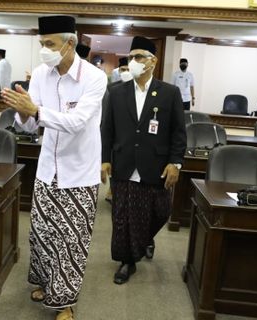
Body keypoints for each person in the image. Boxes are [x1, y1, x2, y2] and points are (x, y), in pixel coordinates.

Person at [1, 15, 107, 320]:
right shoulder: (40, 73)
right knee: (44, 234)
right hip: (48, 169)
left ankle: (67, 302)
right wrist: (22, 111)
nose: (44, 50)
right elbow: (31, 122)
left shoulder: (94, 78)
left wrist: (34, 110)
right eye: (42, 44)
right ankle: (48, 285)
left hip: (79, 173)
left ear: (70, 43)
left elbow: (76, 123)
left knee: (71, 240)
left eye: (50, 44)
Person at [101, 36, 186, 285]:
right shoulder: (116, 92)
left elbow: (178, 133)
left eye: (139, 57)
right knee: (123, 217)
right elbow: (107, 129)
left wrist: (176, 163)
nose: (134, 62)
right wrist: (105, 159)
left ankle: (145, 238)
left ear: (153, 61)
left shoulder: (170, 93)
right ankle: (127, 261)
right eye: (131, 57)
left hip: (155, 165)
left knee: (160, 211)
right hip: (124, 163)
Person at [103, 56, 132, 204]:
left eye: (128, 69)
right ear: (118, 71)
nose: (125, 72)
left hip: (131, 133)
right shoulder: (111, 88)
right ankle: (112, 189)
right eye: (123, 69)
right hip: (115, 131)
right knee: (114, 162)